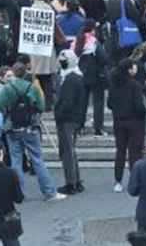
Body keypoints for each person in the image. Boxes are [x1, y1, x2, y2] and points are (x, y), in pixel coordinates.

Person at [0, 63, 64, 202]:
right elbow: (41, 106)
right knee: (37, 159)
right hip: (30, 126)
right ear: (25, 73)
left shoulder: (7, 88)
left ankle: (19, 194)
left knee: (16, 160)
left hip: (12, 127)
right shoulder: (31, 88)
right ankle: (49, 192)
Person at [109, 58, 146, 192]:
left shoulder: (114, 84)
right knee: (135, 152)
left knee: (120, 151)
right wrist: (144, 111)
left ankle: (118, 181)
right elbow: (139, 105)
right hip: (135, 122)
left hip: (118, 121)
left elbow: (109, 104)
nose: (136, 69)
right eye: (134, 67)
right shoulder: (134, 85)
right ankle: (135, 180)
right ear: (129, 69)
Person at [52, 49, 88, 195]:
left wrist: (58, 115)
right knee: (70, 151)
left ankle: (70, 183)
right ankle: (76, 181)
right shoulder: (76, 77)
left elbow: (66, 102)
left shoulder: (70, 79)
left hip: (67, 119)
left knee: (67, 152)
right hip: (74, 118)